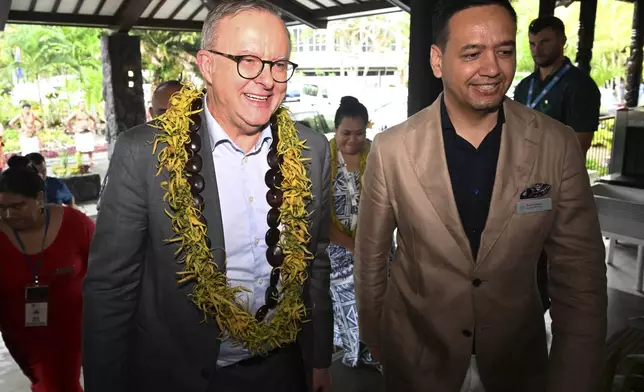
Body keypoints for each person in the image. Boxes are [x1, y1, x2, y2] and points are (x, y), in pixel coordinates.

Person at [354, 1, 607, 391]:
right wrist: (377, 341)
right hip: (417, 359)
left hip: (517, 364)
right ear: (438, 61)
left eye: (504, 51)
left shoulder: (555, 145)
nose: (492, 68)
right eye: (472, 53)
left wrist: (575, 374)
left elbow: (580, 274)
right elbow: (370, 261)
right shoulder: (392, 150)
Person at [82, 1, 333, 392]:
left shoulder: (311, 150)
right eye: (248, 60)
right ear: (208, 65)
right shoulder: (144, 154)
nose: (266, 80)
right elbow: (111, 289)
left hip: (283, 370)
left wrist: (319, 360)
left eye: (279, 64)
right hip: (182, 375)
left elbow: (315, 265)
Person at [0, 161, 94, 392]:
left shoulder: (75, 224)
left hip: (70, 326)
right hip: (19, 332)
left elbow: (106, 269)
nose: (9, 214)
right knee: (42, 381)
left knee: (59, 383)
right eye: (2, 208)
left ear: (40, 198)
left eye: (18, 206)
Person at [327, 96, 391, 369]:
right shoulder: (322, 157)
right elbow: (317, 216)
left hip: (375, 243)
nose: (353, 140)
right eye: (345, 133)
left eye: (359, 133)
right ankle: (361, 353)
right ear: (335, 129)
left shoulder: (377, 153)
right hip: (337, 247)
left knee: (385, 285)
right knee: (351, 287)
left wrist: (371, 246)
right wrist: (355, 248)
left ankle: (380, 349)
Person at [514, 16, 600, 158]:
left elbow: (580, 145)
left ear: (563, 41)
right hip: (521, 171)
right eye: (532, 44)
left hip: (558, 175)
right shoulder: (524, 86)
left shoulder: (581, 86)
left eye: (545, 42)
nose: (537, 50)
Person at [65, 102, 98, 166]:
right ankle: (79, 162)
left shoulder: (88, 113)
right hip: (79, 132)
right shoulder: (76, 113)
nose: (82, 106)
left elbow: (95, 120)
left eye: (83, 105)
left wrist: (93, 128)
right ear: (79, 106)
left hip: (87, 131)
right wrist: (71, 129)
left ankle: (91, 161)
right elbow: (68, 120)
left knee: (90, 148)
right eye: (81, 105)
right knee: (79, 148)